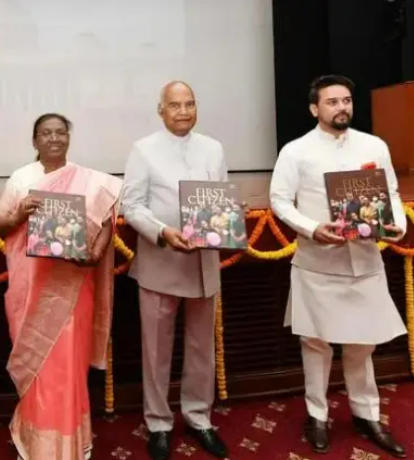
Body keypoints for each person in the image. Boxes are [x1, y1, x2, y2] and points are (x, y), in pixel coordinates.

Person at [269, 74, 407, 457]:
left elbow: (391, 194)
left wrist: (397, 228)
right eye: (332, 102)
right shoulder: (295, 151)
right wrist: (313, 229)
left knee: (363, 344)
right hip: (317, 261)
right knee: (315, 344)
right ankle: (317, 415)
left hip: (364, 260)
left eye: (346, 100)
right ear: (315, 108)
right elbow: (279, 201)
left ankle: (367, 414)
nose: (341, 107)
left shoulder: (374, 145)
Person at [0, 113, 122, 459]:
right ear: (35, 141)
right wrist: (20, 213)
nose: (54, 139)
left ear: (68, 138)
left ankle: (71, 444)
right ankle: (37, 444)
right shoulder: (22, 178)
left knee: (68, 367)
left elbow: (107, 218)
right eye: (45, 134)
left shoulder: (87, 180)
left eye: (60, 133)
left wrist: (94, 252)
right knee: (39, 369)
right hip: (30, 291)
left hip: (73, 289)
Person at [121, 81, 229, 460]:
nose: (183, 111)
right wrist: (161, 232)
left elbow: (219, 197)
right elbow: (131, 206)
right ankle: (158, 423)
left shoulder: (213, 147)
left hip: (203, 264)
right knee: (156, 350)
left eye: (189, 104)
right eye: (175, 105)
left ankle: (200, 417)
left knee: (202, 349)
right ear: (161, 110)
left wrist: (228, 218)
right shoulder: (143, 149)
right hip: (160, 261)